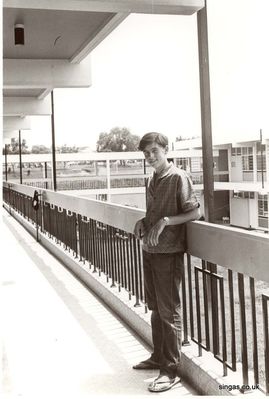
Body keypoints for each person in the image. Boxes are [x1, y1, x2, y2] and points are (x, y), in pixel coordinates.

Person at [133, 132, 200, 393]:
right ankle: (158, 356)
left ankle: (170, 370)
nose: (150, 157)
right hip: (150, 250)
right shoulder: (154, 178)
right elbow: (156, 211)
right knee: (155, 309)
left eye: (154, 152)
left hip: (169, 252)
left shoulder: (178, 177)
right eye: (146, 153)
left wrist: (165, 221)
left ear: (165, 149)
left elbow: (195, 211)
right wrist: (145, 220)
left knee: (169, 311)